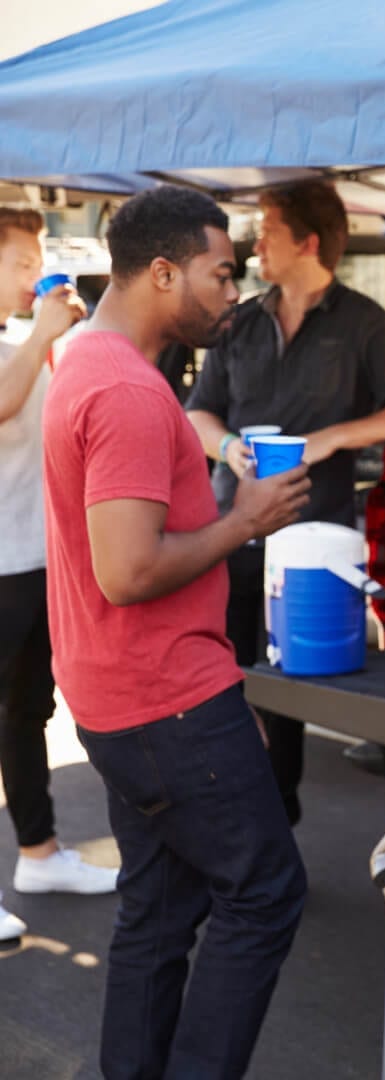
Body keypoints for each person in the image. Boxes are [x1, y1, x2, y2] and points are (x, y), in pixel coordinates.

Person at [42, 186, 312, 1079]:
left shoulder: (87, 359)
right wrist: (246, 520)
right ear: (163, 273)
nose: (233, 291)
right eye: (220, 273)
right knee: (267, 893)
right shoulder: (122, 386)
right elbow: (126, 570)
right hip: (165, 700)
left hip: (120, 696)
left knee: (157, 916)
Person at [185, 179, 385, 826]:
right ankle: (232, 821)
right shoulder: (241, 321)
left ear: (308, 242)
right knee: (225, 681)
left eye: (268, 228)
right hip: (230, 531)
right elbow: (198, 413)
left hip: (315, 544)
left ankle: (276, 825)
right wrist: (229, 448)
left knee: (289, 694)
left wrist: (329, 439)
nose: (256, 242)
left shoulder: (367, 322)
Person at [0, 207, 109, 942]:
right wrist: (45, 327)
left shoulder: (25, 337)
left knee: (28, 712)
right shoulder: (28, 336)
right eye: (20, 260)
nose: (35, 272)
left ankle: (38, 852)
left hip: (37, 560)